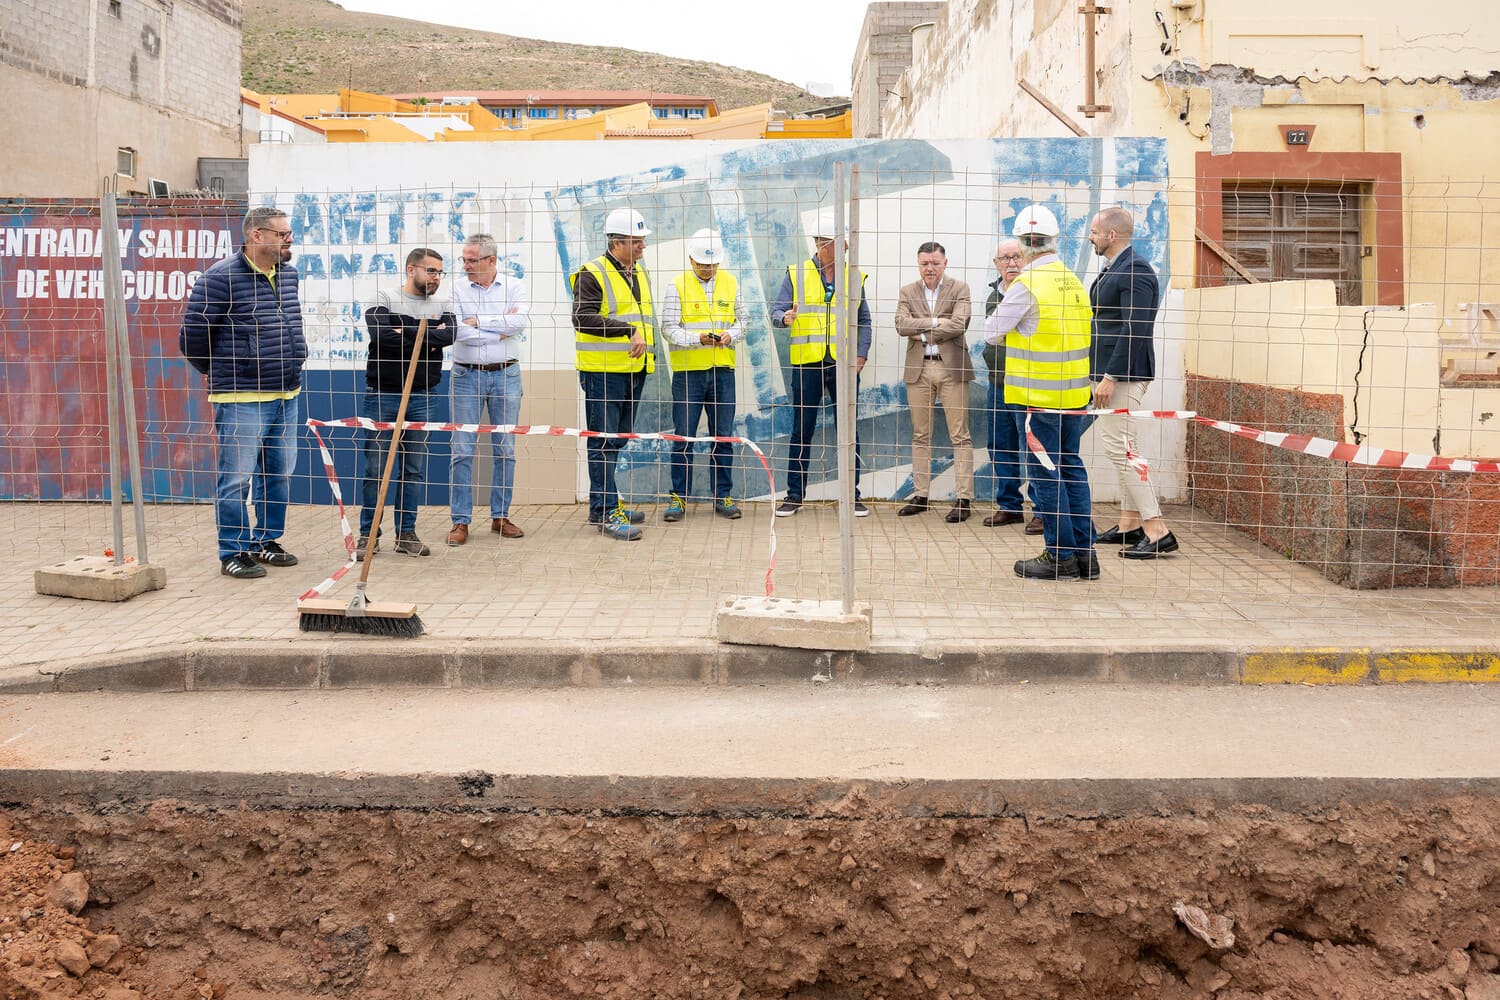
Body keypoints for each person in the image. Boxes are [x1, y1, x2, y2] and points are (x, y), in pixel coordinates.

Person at [180, 206, 307, 580]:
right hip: (240, 397)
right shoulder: (219, 279)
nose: (289, 240)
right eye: (283, 234)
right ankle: (232, 551)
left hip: (286, 392)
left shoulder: (288, 274)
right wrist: (225, 372)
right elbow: (192, 339)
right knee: (236, 478)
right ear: (257, 236)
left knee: (279, 472)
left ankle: (266, 540)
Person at [984, 204, 1098, 581]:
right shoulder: (1073, 282)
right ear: (1053, 240)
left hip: (1037, 400)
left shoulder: (1026, 286)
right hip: (1074, 397)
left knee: (1046, 476)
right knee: (1072, 470)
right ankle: (1085, 555)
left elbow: (991, 331)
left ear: (1023, 243)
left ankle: (1060, 556)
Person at [1087, 207, 1178, 559]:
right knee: (1122, 446)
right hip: (1111, 370)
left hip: (1123, 374)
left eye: (1094, 231)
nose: (1090, 237)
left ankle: (1157, 530)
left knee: (1123, 450)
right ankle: (1128, 522)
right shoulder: (1116, 267)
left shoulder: (1136, 270)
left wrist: (1110, 376)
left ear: (1112, 235)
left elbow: (1136, 328)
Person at [356, 247, 457, 560]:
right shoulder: (383, 297)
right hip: (383, 394)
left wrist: (405, 331)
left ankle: (407, 534)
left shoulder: (443, 302)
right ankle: (368, 535)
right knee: (376, 469)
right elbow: (381, 335)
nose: (436, 277)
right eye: (430, 271)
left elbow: (449, 335)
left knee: (412, 469)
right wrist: (428, 332)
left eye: (440, 272)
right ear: (411, 269)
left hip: (423, 395)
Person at [770, 210, 873, 517]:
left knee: (848, 432)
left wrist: (860, 356)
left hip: (843, 367)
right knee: (802, 430)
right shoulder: (796, 273)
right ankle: (794, 496)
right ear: (823, 244)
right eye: (839, 243)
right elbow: (777, 311)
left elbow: (863, 320)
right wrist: (784, 318)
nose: (844, 248)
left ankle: (850, 497)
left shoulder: (854, 276)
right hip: (807, 365)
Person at [571, 207, 655, 541]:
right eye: (636, 242)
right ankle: (606, 512)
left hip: (633, 370)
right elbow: (582, 317)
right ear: (617, 243)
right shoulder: (592, 273)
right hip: (603, 373)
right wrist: (627, 330)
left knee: (617, 440)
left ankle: (603, 504)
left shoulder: (638, 271)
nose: (642, 247)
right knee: (603, 442)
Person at [446, 233, 528, 547]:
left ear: (491, 261)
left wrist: (479, 320)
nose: (465, 265)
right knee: (462, 449)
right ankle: (460, 521)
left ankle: (500, 516)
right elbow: (458, 331)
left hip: (506, 374)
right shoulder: (455, 287)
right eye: (464, 259)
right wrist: (498, 330)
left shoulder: (514, 285)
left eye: (472, 260)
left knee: (505, 449)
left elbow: (518, 323)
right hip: (466, 375)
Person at [661, 228, 747, 522]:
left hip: (722, 371)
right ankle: (678, 499)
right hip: (689, 375)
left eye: (713, 264)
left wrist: (730, 335)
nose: (709, 270)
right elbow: (668, 328)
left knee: (722, 437)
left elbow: (743, 320)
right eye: (703, 264)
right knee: (682, 437)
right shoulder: (676, 286)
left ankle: (723, 496)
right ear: (691, 260)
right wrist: (698, 338)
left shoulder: (731, 283)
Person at [893, 241, 974, 522]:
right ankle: (921, 495)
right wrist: (939, 322)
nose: (930, 268)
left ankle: (964, 499)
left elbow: (960, 323)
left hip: (951, 368)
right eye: (925, 264)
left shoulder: (960, 288)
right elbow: (901, 325)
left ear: (945, 263)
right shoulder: (907, 291)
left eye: (935, 263)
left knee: (960, 435)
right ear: (919, 264)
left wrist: (924, 330)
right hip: (919, 369)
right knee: (920, 435)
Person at [982, 238, 1043, 534]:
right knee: (999, 444)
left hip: (1026, 385)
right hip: (997, 381)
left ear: (1026, 258)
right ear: (996, 264)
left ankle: (1041, 510)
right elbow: (992, 336)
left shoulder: (1033, 291)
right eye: (1004, 258)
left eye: (1016, 256)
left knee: (1031, 447)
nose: (1011, 263)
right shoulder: (993, 297)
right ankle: (1009, 506)